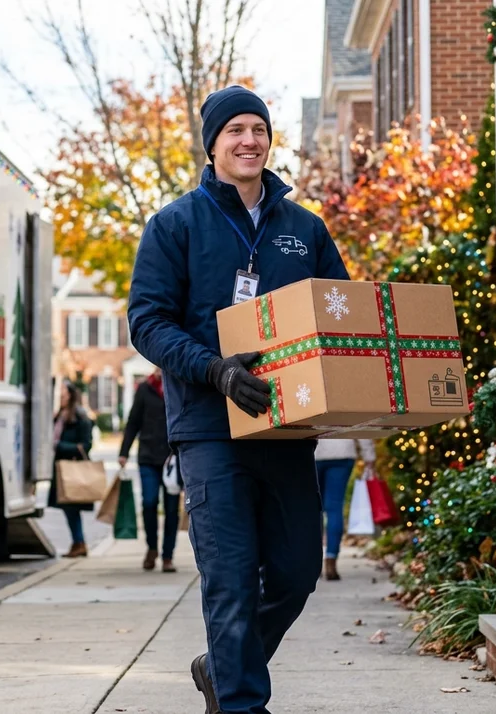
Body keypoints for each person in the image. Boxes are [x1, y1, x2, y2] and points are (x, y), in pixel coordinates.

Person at [127, 85, 351, 714]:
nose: (249, 140)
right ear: (213, 144)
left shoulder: (304, 229)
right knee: (229, 581)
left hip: (285, 425)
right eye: (235, 131)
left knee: (296, 572)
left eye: (258, 129)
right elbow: (147, 321)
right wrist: (216, 371)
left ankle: (220, 670)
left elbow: (340, 315)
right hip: (208, 428)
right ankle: (242, 703)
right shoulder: (175, 225)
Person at [119, 370, 178, 572]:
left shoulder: (177, 384)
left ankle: (168, 556)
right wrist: (123, 452)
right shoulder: (145, 388)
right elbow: (133, 422)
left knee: (171, 509)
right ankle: (152, 548)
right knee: (149, 502)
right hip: (147, 457)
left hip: (172, 459)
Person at [314, 438, 376, 581]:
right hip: (343, 451)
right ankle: (331, 561)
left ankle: (314, 563)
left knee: (313, 507)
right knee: (335, 507)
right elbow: (358, 421)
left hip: (313, 451)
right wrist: (369, 455)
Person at [52, 381, 95, 558]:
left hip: (73, 469)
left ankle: (79, 542)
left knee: (71, 508)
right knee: (68, 508)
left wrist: (59, 446)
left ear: (70, 395)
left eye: (62, 393)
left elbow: (86, 445)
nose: (59, 397)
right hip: (62, 468)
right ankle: (78, 542)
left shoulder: (80, 417)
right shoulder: (58, 416)